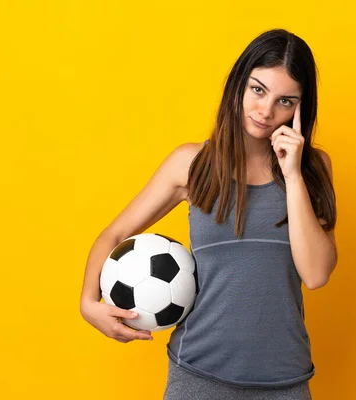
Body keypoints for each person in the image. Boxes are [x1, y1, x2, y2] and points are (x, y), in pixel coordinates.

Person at [80, 28, 338, 399]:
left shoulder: (314, 169)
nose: (266, 111)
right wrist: (89, 304)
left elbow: (315, 275)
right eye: (258, 89)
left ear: (301, 108)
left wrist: (294, 175)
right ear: (238, 84)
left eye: (285, 100)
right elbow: (115, 235)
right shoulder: (192, 164)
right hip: (199, 376)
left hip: (285, 379)